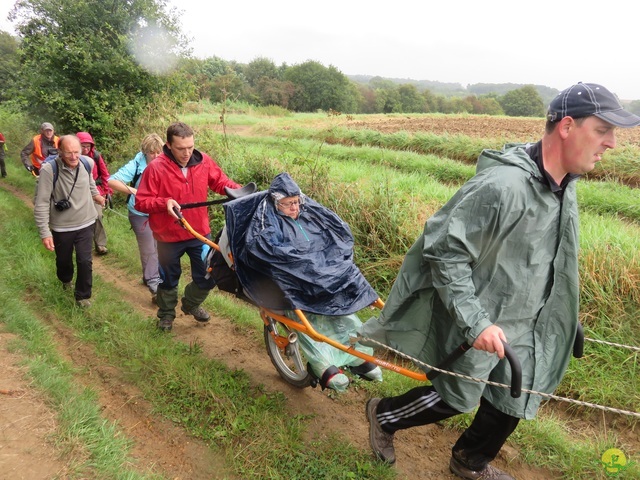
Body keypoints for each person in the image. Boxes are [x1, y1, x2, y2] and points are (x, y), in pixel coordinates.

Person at [360, 82, 640, 479]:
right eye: (602, 130)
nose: (612, 143)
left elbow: (548, 260)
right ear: (566, 127)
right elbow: (444, 251)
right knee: (455, 397)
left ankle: (469, 461)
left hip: (528, 321)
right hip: (484, 316)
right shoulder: (502, 187)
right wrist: (476, 323)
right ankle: (385, 415)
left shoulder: (565, 187)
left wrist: (563, 310)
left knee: (517, 395)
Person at [228, 173, 383, 391]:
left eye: (297, 201)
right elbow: (265, 249)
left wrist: (330, 262)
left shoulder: (308, 212)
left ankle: (359, 356)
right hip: (295, 282)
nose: (294, 207)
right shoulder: (268, 222)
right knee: (307, 321)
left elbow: (338, 232)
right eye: (288, 204)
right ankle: (323, 363)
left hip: (324, 275)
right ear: (276, 203)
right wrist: (308, 265)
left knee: (345, 310)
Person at [135, 122, 242, 332]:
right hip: (167, 237)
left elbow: (221, 182)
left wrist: (240, 192)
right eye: (180, 148)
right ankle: (166, 316)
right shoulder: (156, 168)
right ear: (168, 145)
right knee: (168, 279)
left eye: (190, 147)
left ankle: (191, 303)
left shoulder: (203, 162)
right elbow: (141, 201)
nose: (187, 153)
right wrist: (163, 203)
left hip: (199, 233)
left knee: (210, 274)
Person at [34, 134, 106, 308]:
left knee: (85, 260)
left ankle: (82, 296)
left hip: (86, 221)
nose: (74, 157)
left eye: (77, 152)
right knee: (64, 261)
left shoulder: (87, 163)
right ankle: (66, 280)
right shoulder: (49, 170)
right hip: (62, 226)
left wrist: (96, 195)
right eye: (68, 153)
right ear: (60, 152)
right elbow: (41, 202)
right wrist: (45, 232)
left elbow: (89, 183)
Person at [108, 133, 164, 304]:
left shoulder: (167, 162)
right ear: (144, 152)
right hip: (139, 212)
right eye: (151, 153)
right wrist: (136, 192)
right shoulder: (136, 163)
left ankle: (148, 276)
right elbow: (112, 181)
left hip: (159, 211)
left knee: (159, 247)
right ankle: (155, 286)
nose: (155, 156)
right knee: (149, 248)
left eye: (158, 152)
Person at [77, 132, 113, 255]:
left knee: (98, 216)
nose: (86, 149)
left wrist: (108, 191)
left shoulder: (96, 156)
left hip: (95, 191)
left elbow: (105, 174)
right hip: (77, 192)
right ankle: (80, 244)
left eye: (88, 146)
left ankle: (100, 244)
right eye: (83, 146)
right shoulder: (71, 157)